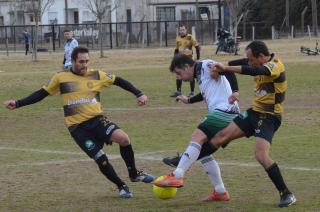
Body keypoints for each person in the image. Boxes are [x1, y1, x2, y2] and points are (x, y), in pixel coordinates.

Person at [155, 41, 296, 208]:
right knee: (218, 138)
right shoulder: (253, 61)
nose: (248, 61)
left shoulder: (275, 66)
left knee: (261, 155)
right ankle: (191, 169)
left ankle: (286, 193)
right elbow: (240, 64)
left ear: (261, 57)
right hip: (254, 112)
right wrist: (224, 65)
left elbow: (255, 70)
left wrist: (227, 70)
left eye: (251, 59)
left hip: (270, 116)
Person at [4, 46, 154, 199]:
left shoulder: (96, 75)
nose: (85, 65)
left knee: (124, 139)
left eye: (87, 61)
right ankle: (121, 185)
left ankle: (134, 174)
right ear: (73, 61)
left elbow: (119, 80)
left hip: (97, 120)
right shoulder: (60, 78)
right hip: (78, 129)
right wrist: (18, 103)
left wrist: (139, 93)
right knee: (101, 160)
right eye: (81, 61)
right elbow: (41, 94)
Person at [157, 54, 240, 201]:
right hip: (224, 112)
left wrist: (235, 92)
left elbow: (227, 70)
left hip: (225, 110)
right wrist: (188, 100)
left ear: (187, 67)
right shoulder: (201, 75)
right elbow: (204, 93)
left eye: (179, 73)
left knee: (197, 136)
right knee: (203, 152)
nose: (180, 78)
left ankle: (177, 175)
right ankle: (220, 191)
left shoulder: (205, 65)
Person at [170, 25, 200, 98]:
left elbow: (197, 47)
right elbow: (176, 49)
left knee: (191, 75)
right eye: (180, 30)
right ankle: (178, 91)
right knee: (178, 74)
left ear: (186, 30)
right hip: (180, 59)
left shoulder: (190, 37)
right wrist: (175, 58)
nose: (181, 31)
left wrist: (198, 57)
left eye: (183, 30)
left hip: (189, 59)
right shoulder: (178, 38)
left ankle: (192, 92)